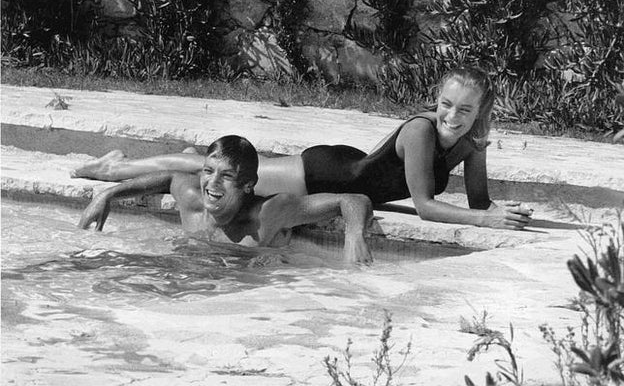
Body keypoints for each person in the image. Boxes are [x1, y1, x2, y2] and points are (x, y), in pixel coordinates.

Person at [73, 66, 531, 230]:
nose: (452, 116)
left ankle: (116, 166)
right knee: (201, 167)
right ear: (436, 101)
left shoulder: (472, 142)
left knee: (204, 167)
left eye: (466, 111)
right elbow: (427, 208)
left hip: (347, 166)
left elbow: (479, 202)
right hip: (324, 172)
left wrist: (490, 208)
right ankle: (110, 169)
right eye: (446, 104)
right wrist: (484, 219)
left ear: (480, 113)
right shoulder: (420, 131)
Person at [78, 135, 373, 264]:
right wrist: (109, 194)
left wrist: (354, 233)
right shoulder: (193, 201)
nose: (212, 184)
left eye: (226, 176)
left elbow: (353, 199)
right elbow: (169, 177)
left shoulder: (269, 213)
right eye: (207, 172)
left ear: (248, 186)